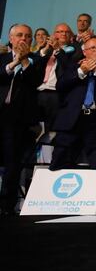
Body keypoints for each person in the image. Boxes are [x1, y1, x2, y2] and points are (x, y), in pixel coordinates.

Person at [49, 36, 96, 171]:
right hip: (71, 122)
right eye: (93, 48)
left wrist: (95, 69)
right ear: (84, 52)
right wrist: (82, 72)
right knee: (59, 163)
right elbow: (60, 86)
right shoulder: (74, 66)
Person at [0, 24, 40, 215]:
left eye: (28, 36)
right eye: (20, 35)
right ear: (11, 37)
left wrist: (24, 62)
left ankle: (6, 206)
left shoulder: (36, 61)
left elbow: (35, 80)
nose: (24, 39)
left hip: (17, 121)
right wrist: (14, 63)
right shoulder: (2, 58)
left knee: (12, 163)